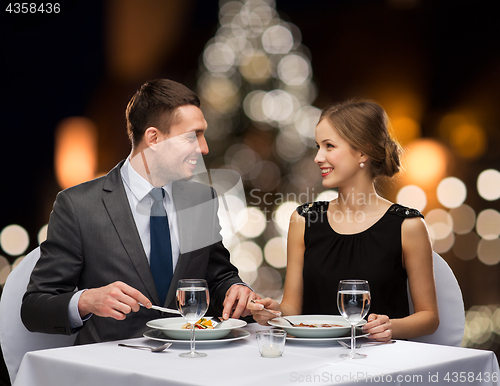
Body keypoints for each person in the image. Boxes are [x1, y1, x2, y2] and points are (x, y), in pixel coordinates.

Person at [21, 79, 256, 345]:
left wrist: (236, 289)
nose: (204, 148)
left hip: (190, 363)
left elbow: (218, 275)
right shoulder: (77, 205)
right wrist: (85, 300)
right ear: (154, 138)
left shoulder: (201, 200)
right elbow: (34, 308)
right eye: (193, 136)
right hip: (110, 371)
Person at [249, 99, 439, 341]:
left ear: (363, 151)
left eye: (329, 146)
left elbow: (429, 317)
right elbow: (292, 309)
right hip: (313, 359)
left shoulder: (407, 225)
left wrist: (390, 326)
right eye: (318, 146)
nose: (318, 157)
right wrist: (272, 312)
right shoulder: (303, 220)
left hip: (382, 363)